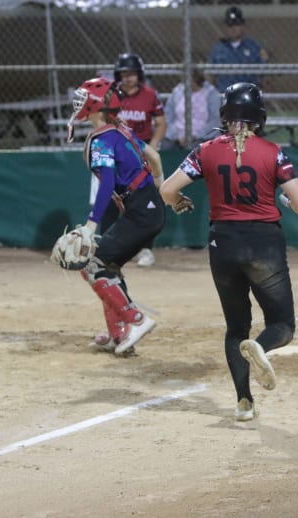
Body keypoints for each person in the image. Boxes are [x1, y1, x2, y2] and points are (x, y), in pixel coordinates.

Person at [160, 82, 298, 422]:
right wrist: (286, 201)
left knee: (235, 326)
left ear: (225, 115)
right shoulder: (272, 152)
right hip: (263, 243)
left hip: (223, 243)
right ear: (259, 117)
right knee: (282, 323)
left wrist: (179, 202)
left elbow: (167, 190)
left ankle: (244, 402)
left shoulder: (205, 151)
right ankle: (262, 346)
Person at [65, 77, 169, 355]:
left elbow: (107, 183)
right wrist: (161, 190)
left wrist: (91, 224)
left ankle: (136, 320)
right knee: (106, 266)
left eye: (84, 98)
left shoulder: (102, 139)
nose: (78, 103)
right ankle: (118, 334)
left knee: (93, 266)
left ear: (96, 105)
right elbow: (154, 157)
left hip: (140, 212)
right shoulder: (119, 129)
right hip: (147, 208)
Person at [111, 52, 168, 266]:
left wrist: (151, 147)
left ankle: (145, 249)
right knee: (113, 200)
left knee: (146, 202)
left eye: (132, 74)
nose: (128, 78)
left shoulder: (150, 95)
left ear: (139, 75)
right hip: (118, 152)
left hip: (142, 152)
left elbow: (161, 123)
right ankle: (112, 246)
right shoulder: (112, 95)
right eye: (124, 74)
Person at [208, 6, 269, 93]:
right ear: (226, 27)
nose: (233, 28)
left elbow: (264, 75)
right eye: (230, 25)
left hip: (247, 95)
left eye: (236, 24)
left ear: (243, 26)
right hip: (225, 95)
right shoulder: (218, 48)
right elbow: (210, 76)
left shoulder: (253, 46)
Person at [161, 67, 222, 150]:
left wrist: (195, 136)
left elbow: (215, 120)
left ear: (196, 78)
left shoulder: (211, 93)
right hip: (177, 135)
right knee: (166, 145)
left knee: (195, 148)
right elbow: (168, 116)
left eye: (187, 78)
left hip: (202, 136)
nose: (184, 82)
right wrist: (177, 136)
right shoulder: (177, 91)